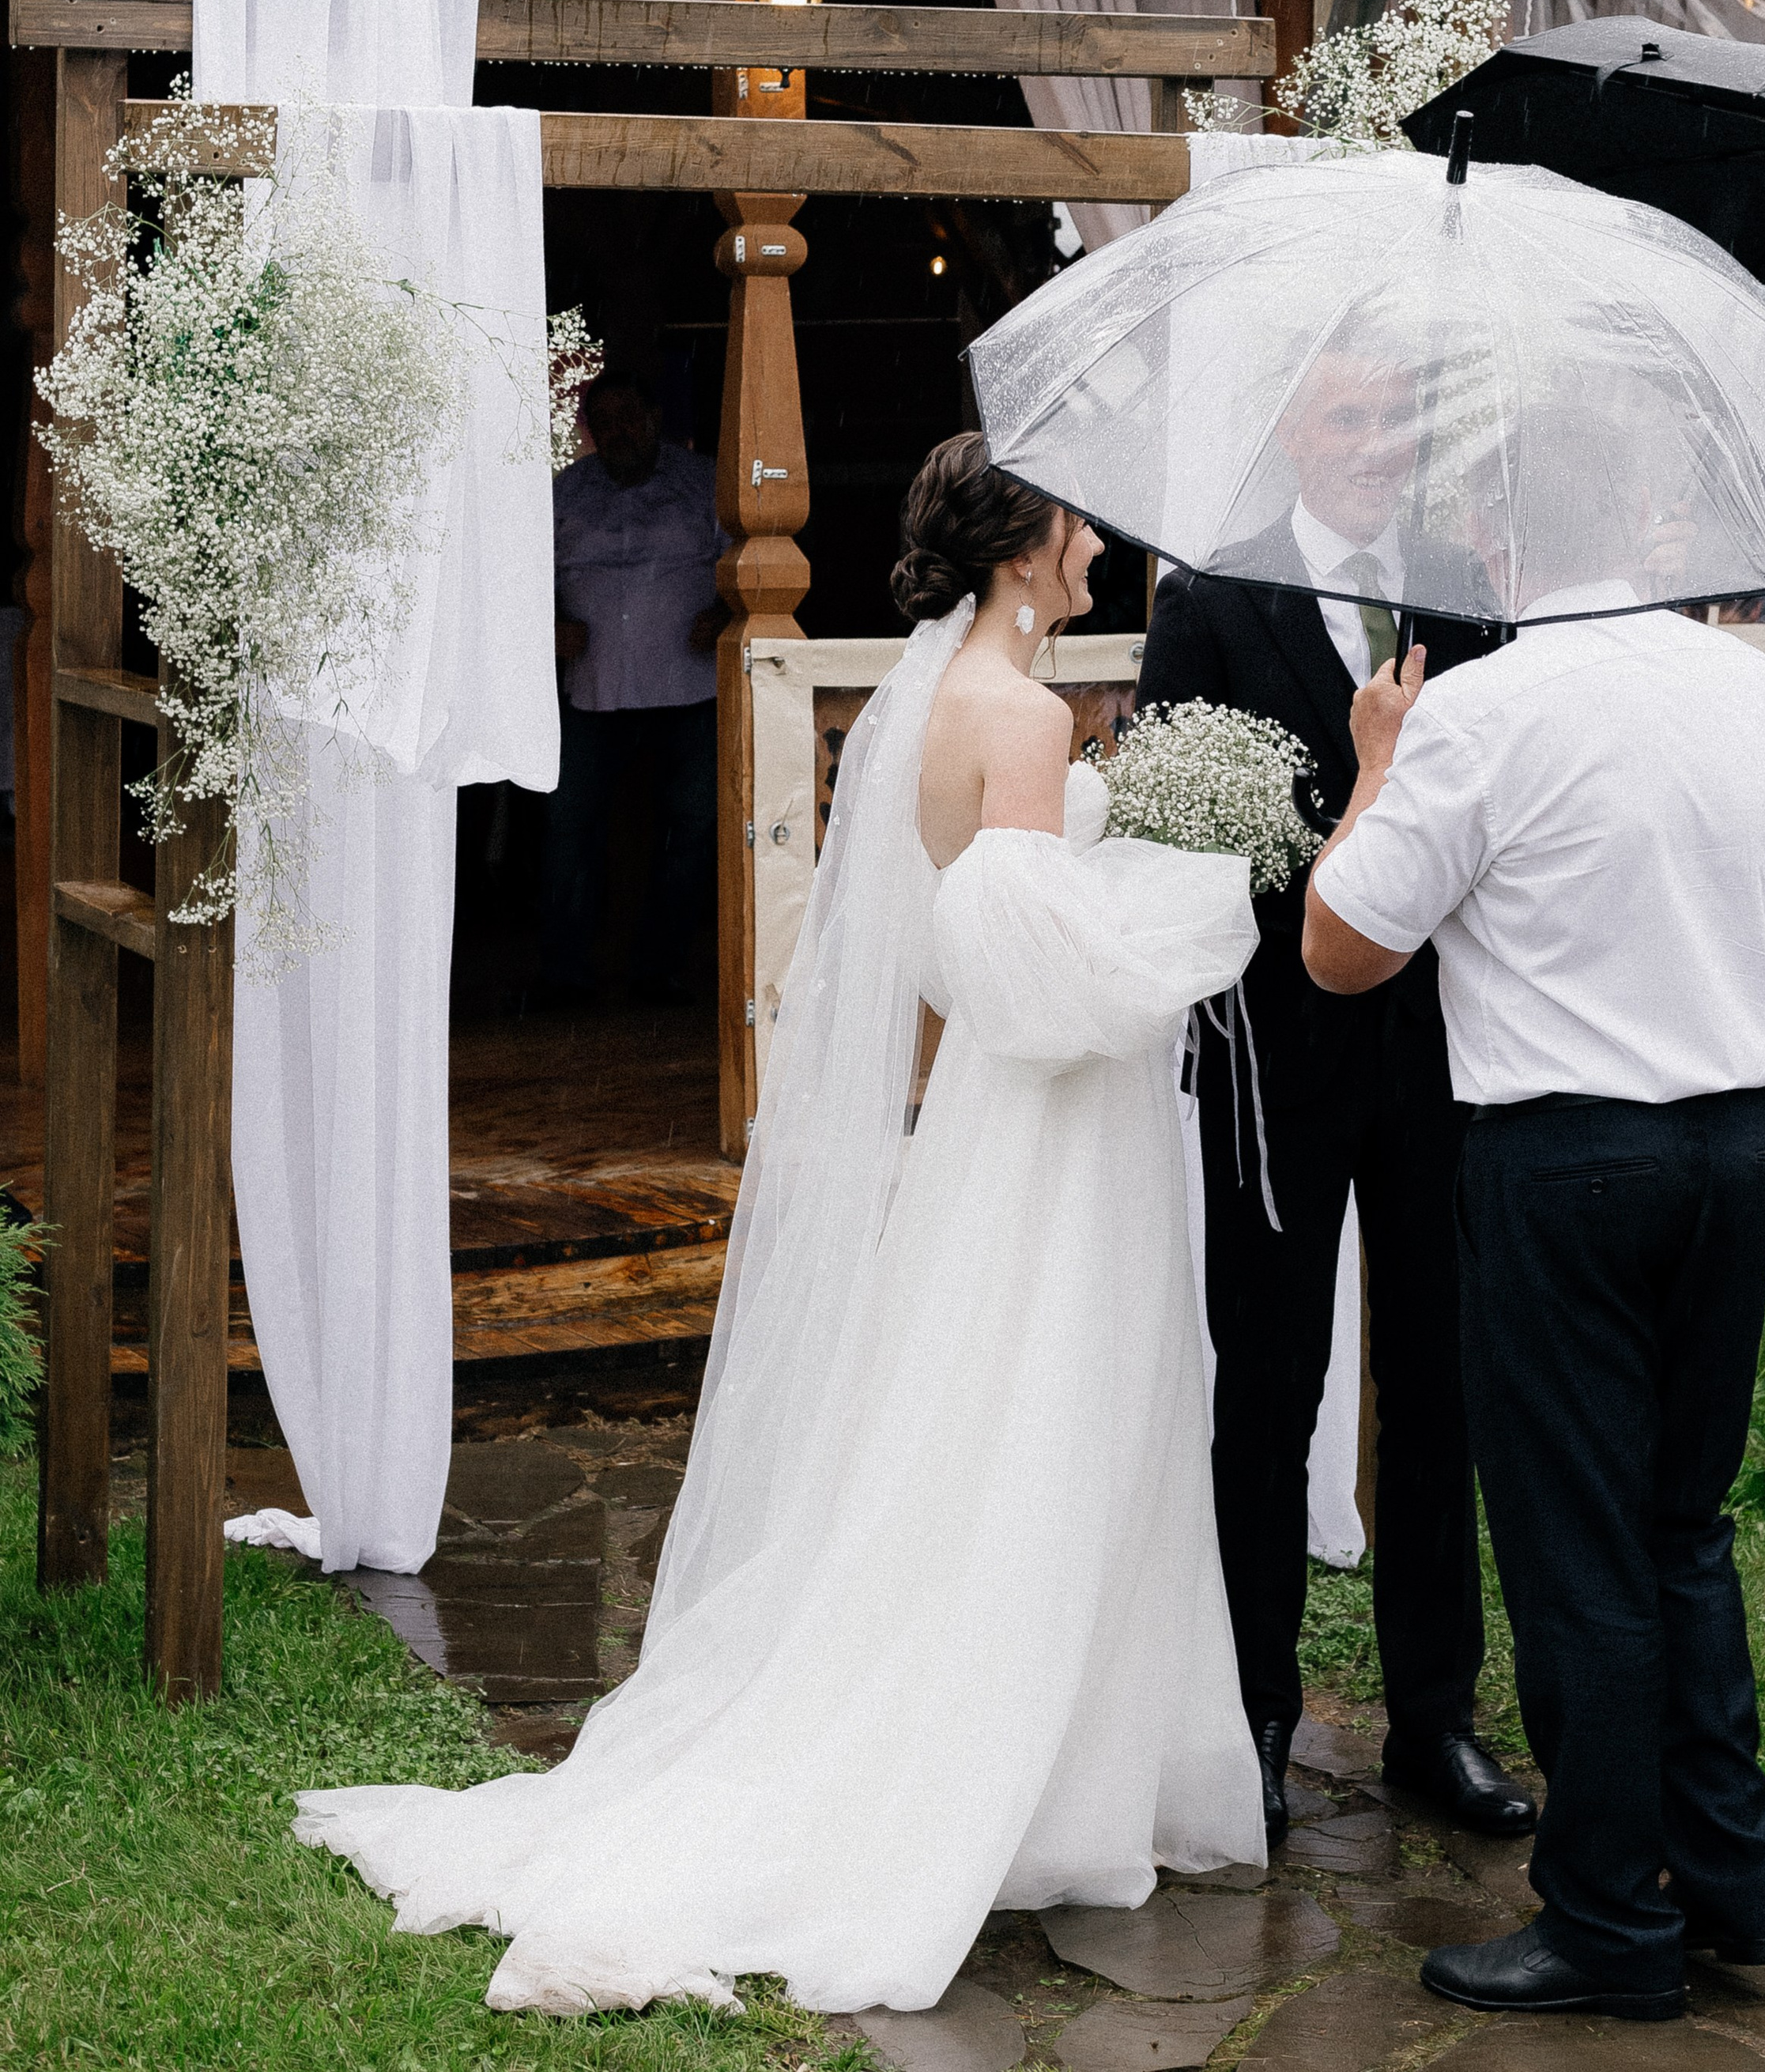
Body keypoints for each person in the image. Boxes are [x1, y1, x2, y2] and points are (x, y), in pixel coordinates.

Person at [294, 432, 1265, 2014]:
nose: (1098, 544)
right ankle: (1026, 1781)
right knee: (1041, 1423)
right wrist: (1195, 916)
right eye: (1077, 521)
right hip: (1046, 1134)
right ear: (1027, 545)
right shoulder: (1016, 713)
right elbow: (1028, 969)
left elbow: (976, 934)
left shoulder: (943, 696)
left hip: (997, 1132)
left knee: (988, 1423)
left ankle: (1067, 1765)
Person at [1302, 436, 1765, 2025]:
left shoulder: (1481, 709)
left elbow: (1342, 950)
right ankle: (1731, 1885)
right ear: (1641, 524)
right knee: (1680, 1526)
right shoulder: (1753, 690)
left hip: (1561, 1164)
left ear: (1495, 537)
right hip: (1729, 1148)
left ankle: (1608, 1920)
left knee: (1573, 1548)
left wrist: (1377, 766)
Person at [1137, 350, 1534, 1847]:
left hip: (1448, 1049)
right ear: (1291, 431)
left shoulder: (1468, 606)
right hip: (1276, 1060)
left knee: (1441, 1381)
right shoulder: (1210, 607)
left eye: (1396, 422)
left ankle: (1436, 1721)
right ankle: (1254, 1717)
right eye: (1348, 420)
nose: (1377, 447)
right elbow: (1178, 830)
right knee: (1272, 1385)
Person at [541, 369, 726, 1005]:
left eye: (629, 416)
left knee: (693, 828)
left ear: (654, 419)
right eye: (604, 420)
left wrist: (727, 616)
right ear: (589, 429)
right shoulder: (564, 493)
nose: (617, 430)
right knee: (569, 830)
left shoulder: (705, 484)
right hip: (591, 690)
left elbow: (750, 569)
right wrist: (549, 625)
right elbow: (521, 581)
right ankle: (565, 977)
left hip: (690, 687)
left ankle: (660, 972)